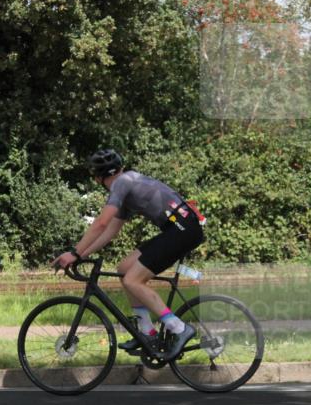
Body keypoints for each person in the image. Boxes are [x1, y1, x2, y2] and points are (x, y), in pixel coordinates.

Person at [52, 149, 205, 358]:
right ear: (120, 167)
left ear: (98, 178)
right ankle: (147, 333)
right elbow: (109, 231)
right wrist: (82, 255)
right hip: (179, 228)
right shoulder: (128, 182)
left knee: (133, 280)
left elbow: (101, 223)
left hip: (183, 230)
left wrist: (74, 253)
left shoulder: (121, 184)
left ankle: (179, 328)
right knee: (124, 269)